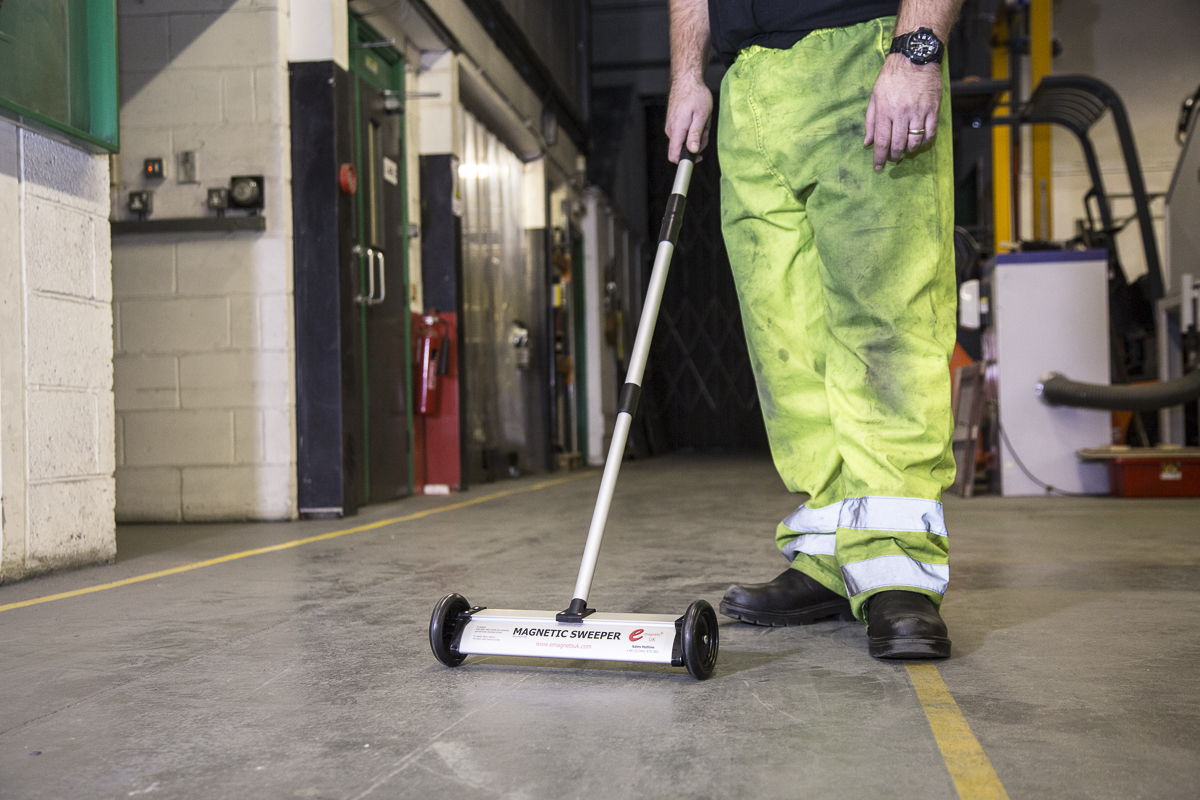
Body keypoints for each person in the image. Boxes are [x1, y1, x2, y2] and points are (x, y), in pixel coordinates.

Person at [666, 0, 964, 658]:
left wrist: (916, 51)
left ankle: (897, 566)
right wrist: (688, 75)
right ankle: (832, 555)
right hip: (747, 86)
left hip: (861, 53)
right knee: (786, 341)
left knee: (885, 324)